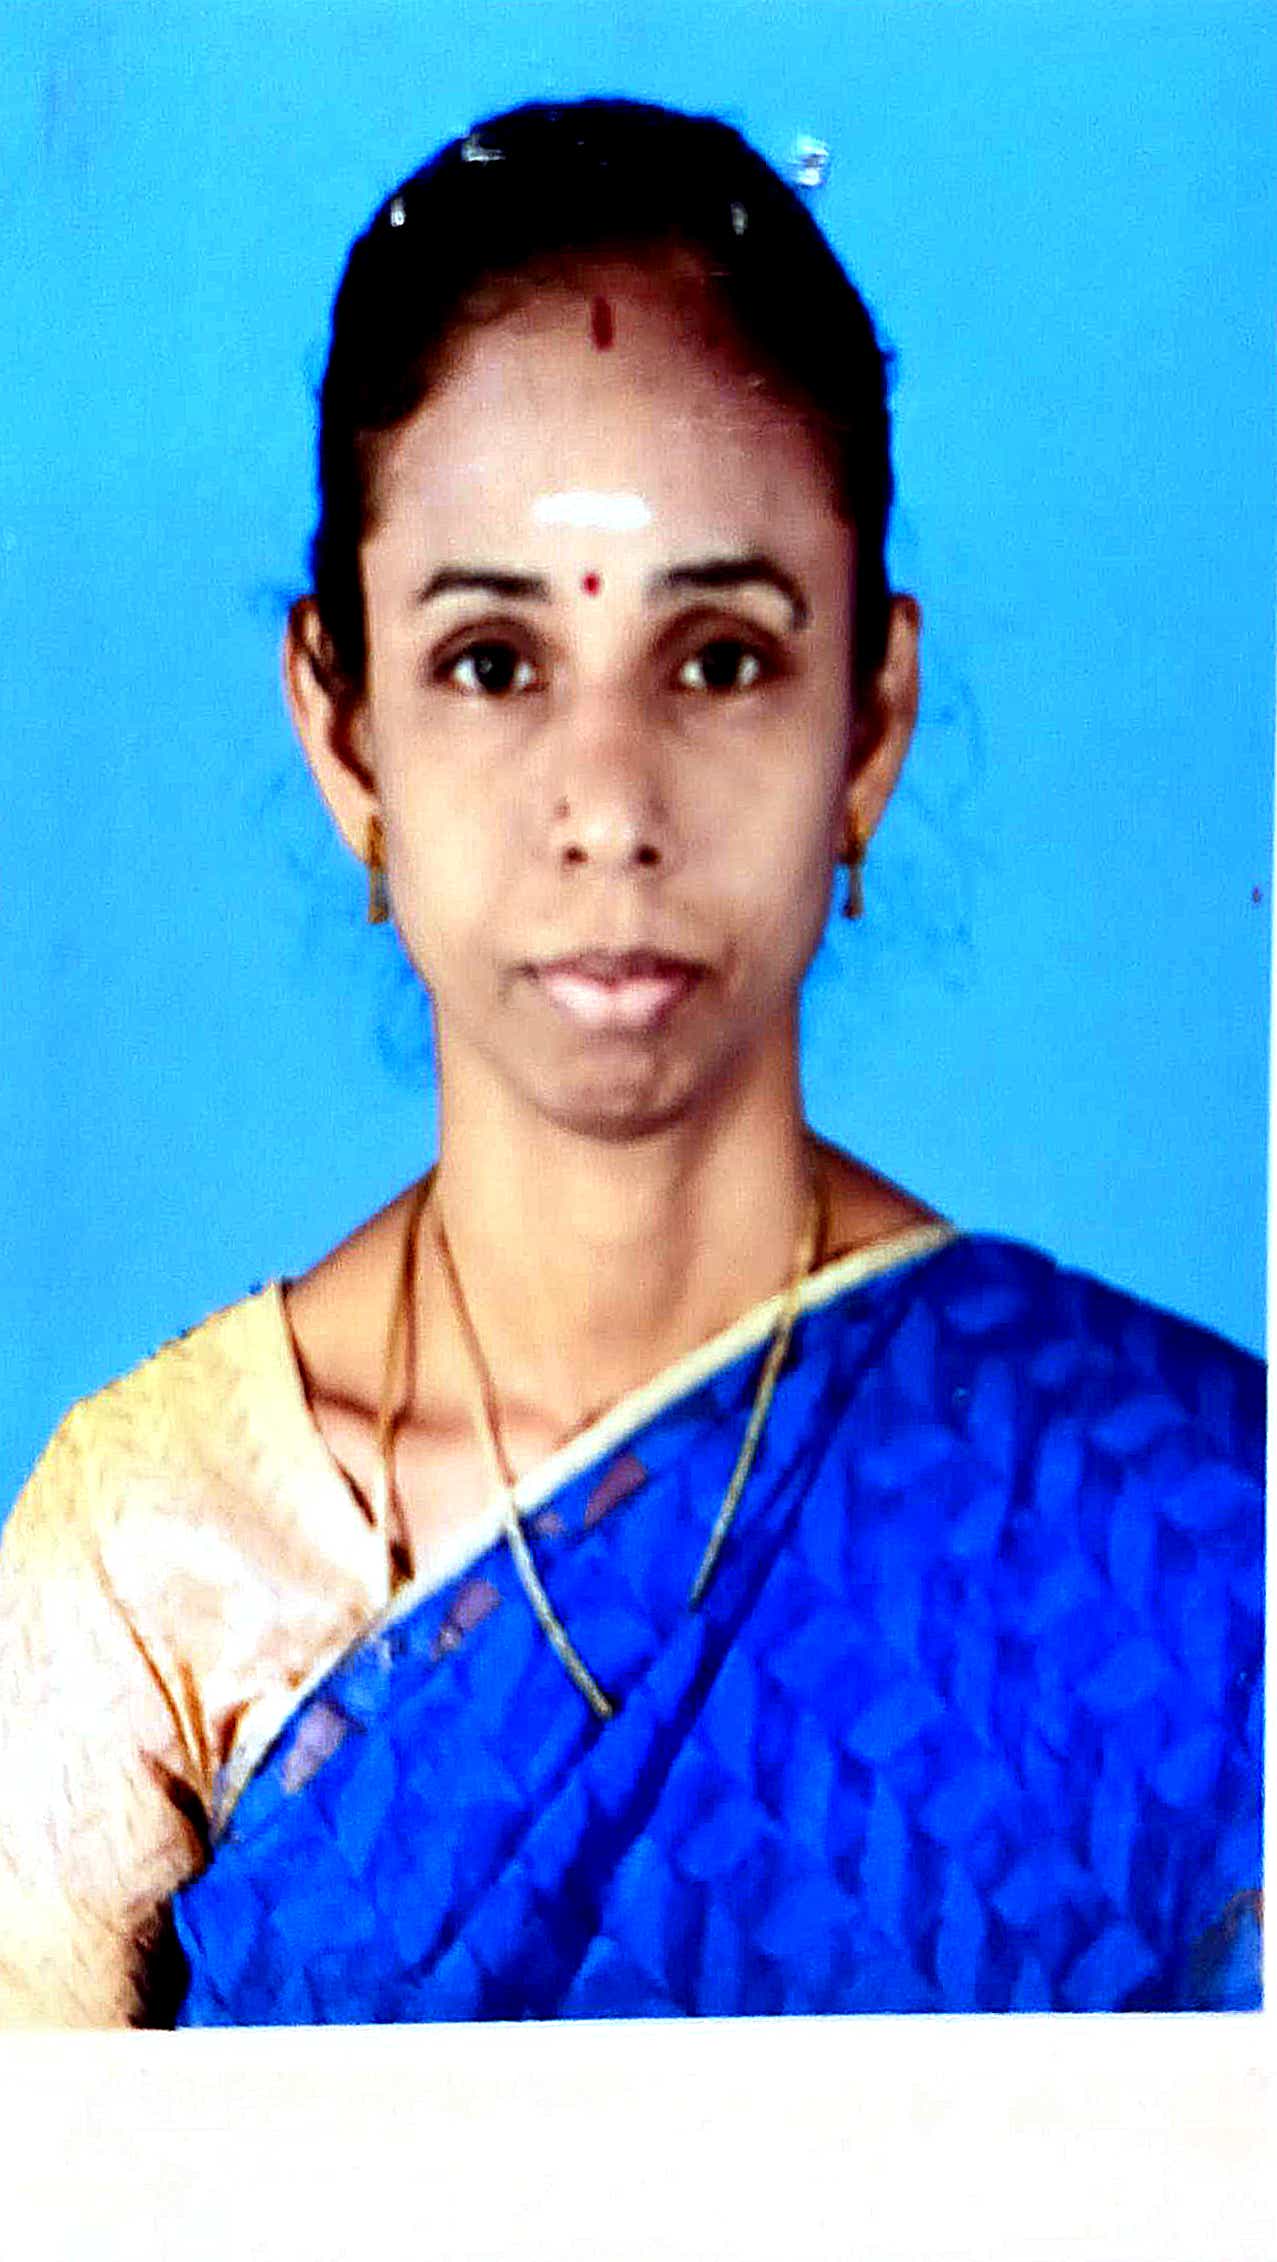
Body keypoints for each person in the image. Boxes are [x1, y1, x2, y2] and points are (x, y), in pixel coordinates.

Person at [0, 97, 1262, 2028]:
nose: (608, 805)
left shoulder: (1189, 1528)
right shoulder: (158, 1563)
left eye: (722, 659)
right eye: (492, 664)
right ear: (344, 731)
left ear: (870, 722)